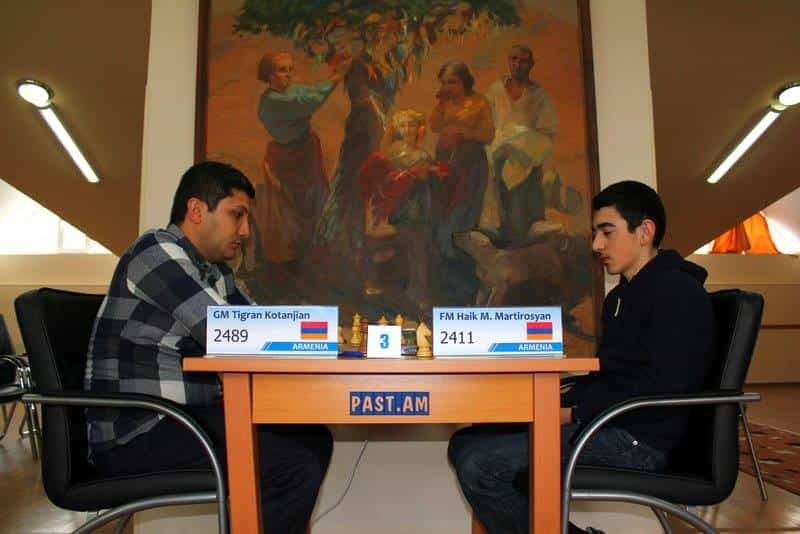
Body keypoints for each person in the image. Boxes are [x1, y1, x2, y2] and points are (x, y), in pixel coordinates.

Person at [448, 180, 715, 534]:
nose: (596, 245)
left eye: (607, 232)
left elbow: (661, 385)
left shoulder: (677, 293)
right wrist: (557, 403)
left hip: (637, 440)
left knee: (479, 464)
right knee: (466, 442)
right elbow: (609, 377)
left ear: (645, 231)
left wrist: (571, 412)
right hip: (607, 422)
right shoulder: (622, 297)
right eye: (594, 234)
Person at [84, 161, 332, 534]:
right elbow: (228, 331)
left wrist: (320, 331)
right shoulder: (156, 251)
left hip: (182, 418)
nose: (245, 231)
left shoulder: (214, 272)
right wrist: (318, 330)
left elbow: (255, 328)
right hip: (139, 431)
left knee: (311, 437)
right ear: (197, 210)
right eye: (237, 215)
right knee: (292, 464)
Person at [256, 50, 351, 265]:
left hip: (304, 150)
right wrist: (338, 76)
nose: (289, 74)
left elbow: (305, 91)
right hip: (292, 156)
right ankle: (303, 252)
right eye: (282, 70)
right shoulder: (274, 101)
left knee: (314, 196)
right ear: (269, 75)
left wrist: (334, 72)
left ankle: (315, 244)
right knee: (299, 202)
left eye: (290, 69)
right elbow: (308, 99)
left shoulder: (286, 92)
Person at [484, 44, 560, 244]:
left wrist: (523, 142)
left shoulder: (539, 95)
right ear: (508, 61)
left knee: (524, 210)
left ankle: (524, 242)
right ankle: (504, 238)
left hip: (526, 158)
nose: (518, 64)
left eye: (524, 61)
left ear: (531, 64)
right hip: (498, 154)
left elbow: (547, 130)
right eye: (514, 59)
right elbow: (485, 121)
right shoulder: (496, 90)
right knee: (499, 203)